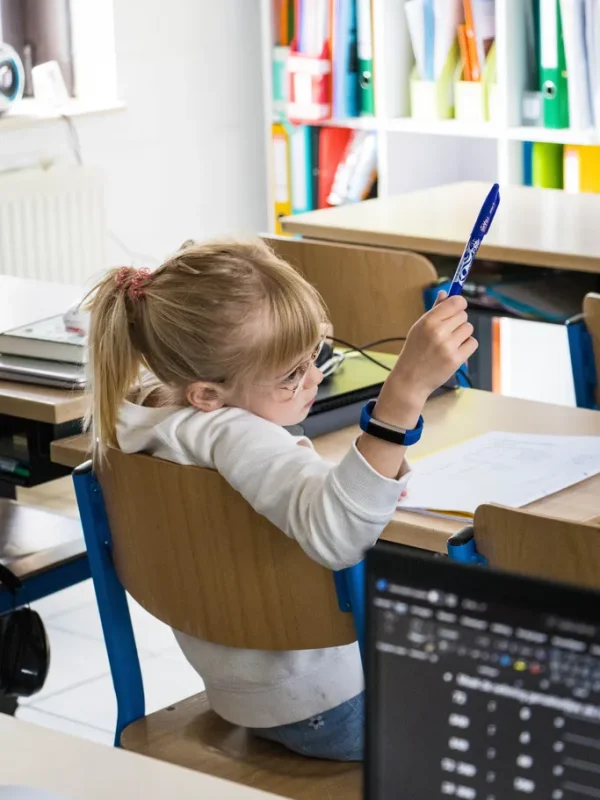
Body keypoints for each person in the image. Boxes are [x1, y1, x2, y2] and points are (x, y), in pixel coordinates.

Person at [86, 239, 477, 761]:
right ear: (208, 395)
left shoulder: (135, 421)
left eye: (315, 353)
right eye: (291, 375)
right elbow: (338, 534)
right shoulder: (233, 433)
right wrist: (403, 393)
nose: (314, 377)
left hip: (249, 698)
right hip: (338, 707)